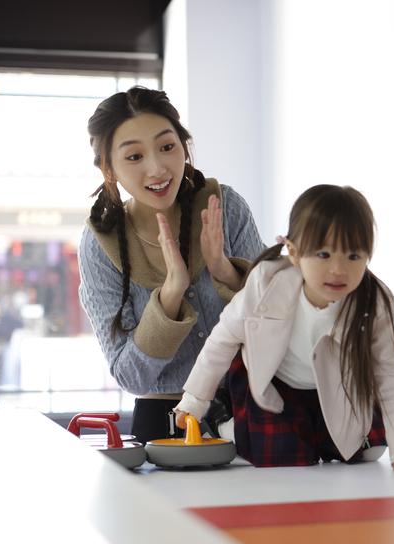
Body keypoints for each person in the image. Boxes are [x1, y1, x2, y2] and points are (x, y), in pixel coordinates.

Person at [173, 185, 394, 471]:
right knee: (283, 457)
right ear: (294, 252)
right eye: (324, 255)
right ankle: (226, 423)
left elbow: (391, 374)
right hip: (276, 383)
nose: (338, 269)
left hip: (335, 386)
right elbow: (222, 339)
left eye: (353, 256)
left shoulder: (374, 301)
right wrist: (194, 400)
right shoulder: (266, 283)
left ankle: (315, 430)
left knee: (365, 450)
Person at [78, 87, 265, 443]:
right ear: (109, 169)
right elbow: (130, 377)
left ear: (184, 145)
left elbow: (275, 321)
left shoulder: (225, 208)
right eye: (134, 156)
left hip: (252, 415)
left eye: (167, 147)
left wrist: (224, 271)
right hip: (164, 430)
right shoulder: (100, 243)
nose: (157, 168)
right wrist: (170, 296)